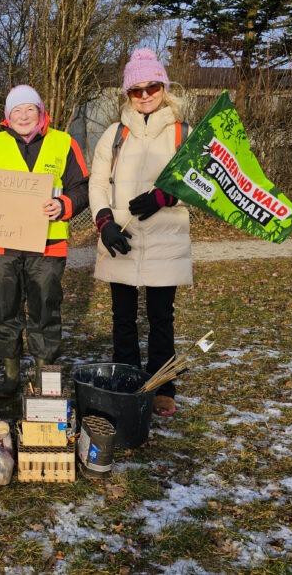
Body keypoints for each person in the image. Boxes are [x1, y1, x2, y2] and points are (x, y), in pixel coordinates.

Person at [88, 48, 193, 416]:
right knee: (122, 318)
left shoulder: (184, 133)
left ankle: (163, 384)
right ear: (127, 94)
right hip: (124, 238)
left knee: (162, 318)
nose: (145, 95)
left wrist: (164, 196)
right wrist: (104, 222)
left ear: (163, 87)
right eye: (137, 89)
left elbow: (199, 181)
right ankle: (130, 381)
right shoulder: (114, 135)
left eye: (152, 87)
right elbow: (98, 182)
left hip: (167, 236)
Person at [0, 85, 89, 397]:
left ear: (41, 113)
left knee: (44, 309)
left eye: (30, 109)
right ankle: (11, 373)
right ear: (7, 117)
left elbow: (82, 187)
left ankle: (43, 372)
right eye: (17, 111)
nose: (23, 116)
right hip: (3, 245)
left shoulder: (63, 142)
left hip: (48, 245)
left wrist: (65, 204)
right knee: (5, 309)